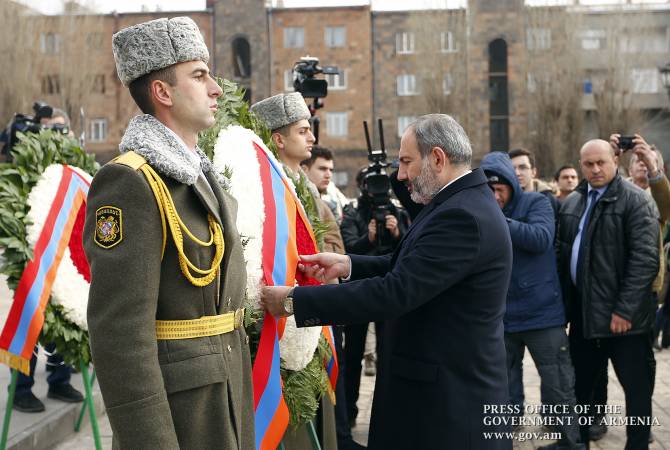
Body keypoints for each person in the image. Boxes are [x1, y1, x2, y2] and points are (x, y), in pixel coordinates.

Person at [261, 113, 513, 450]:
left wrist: (294, 301)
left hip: (446, 406)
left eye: (407, 162)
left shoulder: (462, 215)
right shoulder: (458, 203)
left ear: (437, 158)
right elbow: (409, 267)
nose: (401, 175)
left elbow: (396, 292)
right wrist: (348, 264)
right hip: (435, 392)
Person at [83, 17, 254, 449]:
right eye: (199, 75)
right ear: (162, 92)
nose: (216, 88)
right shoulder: (130, 183)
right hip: (182, 418)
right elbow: (120, 336)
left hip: (226, 394)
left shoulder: (200, 176)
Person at [251, 92, 341, 450]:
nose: (312, 138)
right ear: (278, 139)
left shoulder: (303, 186)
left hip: (309, 309)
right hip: (284, 318)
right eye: (303, 131)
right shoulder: (266, 187)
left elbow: (331, 238)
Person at [556, 139, 658, 450]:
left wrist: (624, 311)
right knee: (581, 392)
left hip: (625, 322)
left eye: (602, 162)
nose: (596, 169)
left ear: (615, 161)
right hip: (585, 318)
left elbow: (645, 259)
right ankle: (578, 443)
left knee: (637, 392)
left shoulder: (636, 200)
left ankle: (638, 445)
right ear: (581, 165)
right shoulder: (573, 202)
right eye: (589, 164)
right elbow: (563, 256)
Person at [481, 152, 584, 450]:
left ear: (512, 186)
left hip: (543, 315)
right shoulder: (480, 213)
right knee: (498, 387)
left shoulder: (536, 202)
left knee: (559, 386)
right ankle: (498, 441)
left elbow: (540, 237)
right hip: (502, 316)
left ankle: (570, 444)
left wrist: (497, 219)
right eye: (488, 192)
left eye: (499, 190)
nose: (494, 197)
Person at [10, 110, 84, 414]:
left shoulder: (71, 167)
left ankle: (59, 379)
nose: (57, 135)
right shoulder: (26, 165)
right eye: (51, 129)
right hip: (33, 259)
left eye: (62, 130)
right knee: (29, 325)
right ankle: (21, 389)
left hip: (63, 258)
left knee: (63, 319)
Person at [338, 167, 409, 426]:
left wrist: (398, 232)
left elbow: (410, 252)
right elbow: (346, 250)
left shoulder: (399, 211)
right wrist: (368, 238)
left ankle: (389, 416)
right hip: (358, 291)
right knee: (352, 355)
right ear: (362, 185)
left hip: (389, 290)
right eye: (372, 183)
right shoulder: (352, 212)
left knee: (389, 352)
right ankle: (349, 415)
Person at [509, 148, 560, 217]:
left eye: (523, 167)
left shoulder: (549, 199)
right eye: (512, 168)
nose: (517, 173)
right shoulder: (502, 199)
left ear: (533, 172)